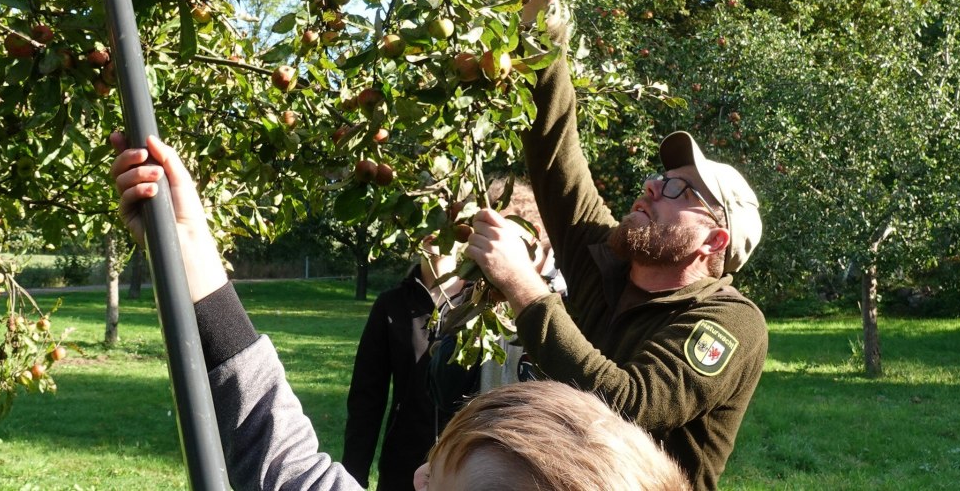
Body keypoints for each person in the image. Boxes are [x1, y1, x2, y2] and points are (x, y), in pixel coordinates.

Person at [108, 133, 689, 491]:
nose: (417, 478)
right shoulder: (396, 307)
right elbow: (327, 434)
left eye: (436, 485)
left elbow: (273, 450)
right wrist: (189, 249)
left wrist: (523, 286)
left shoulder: (709, 324)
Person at [458, 0, 770, 491]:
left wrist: (523, 286)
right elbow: (554, 149)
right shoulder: (607, 258)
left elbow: (630, 405)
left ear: (714, 240)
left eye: (680, 189)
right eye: (660, 177)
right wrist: (540, 1)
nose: (653, 187)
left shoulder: (729, 322)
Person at [344, 241, 479, 490]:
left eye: (446, 213)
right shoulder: (391, 305)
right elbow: (366, 400)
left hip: (469, 466)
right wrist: (353, 478)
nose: (435, 228)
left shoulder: (484, 305)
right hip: (403, 466)